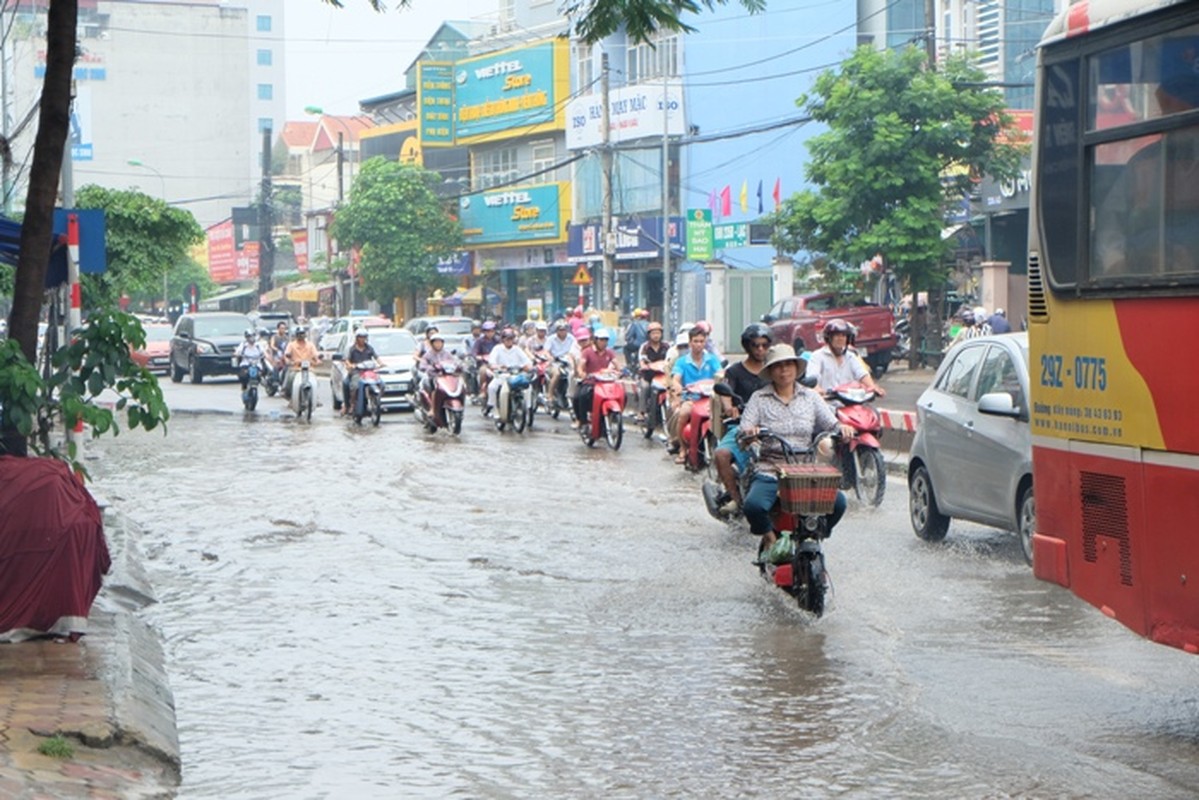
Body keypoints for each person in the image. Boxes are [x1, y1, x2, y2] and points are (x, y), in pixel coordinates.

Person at [738, 344, 855, 554]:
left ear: (796, 368)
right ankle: (771, 540)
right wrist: (750, 433)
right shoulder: (758, 398)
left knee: (838, 503)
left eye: (788, 365)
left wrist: (842, 428)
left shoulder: (811, 397)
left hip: (804, 470)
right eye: (778, 366)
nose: (784, 370)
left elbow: (831, 423)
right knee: (753, 507)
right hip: (770, 470)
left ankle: (814, 535)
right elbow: (743, 431)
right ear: (771, 371)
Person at [711, 324, 773, 515]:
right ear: (747, 346)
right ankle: (736, 499)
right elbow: (725, 394)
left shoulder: (774, 370)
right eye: (756, 345)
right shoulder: (735, 371)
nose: (760, 349)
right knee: (721, 455)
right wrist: (730, 408)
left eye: (764, 345)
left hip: (772, 426)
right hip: (741, 426)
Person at [667, 326, 724, 464]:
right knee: (683, 413)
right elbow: (676, 378)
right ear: (690, 342)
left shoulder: (711, 359)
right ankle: (683, 447)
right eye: (696, 341)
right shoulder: (682, 361)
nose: (699, 344)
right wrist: (677, 386)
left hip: (711, 400)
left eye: (701, 341)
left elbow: (720, 373)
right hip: (691, 399)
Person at [805, 318, 885, 398]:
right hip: (827, 404)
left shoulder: (851, 356)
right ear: (828, 338)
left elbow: (861, 374)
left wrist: (873, 387)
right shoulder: (817, 356)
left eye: (843, 335)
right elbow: (813, 377)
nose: (840, 338)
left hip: (850, 402)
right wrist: (818, 389)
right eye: (837, 335)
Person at [574, 327, 619, 427]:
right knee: (579, 397)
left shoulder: (609, 352)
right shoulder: (587, 352)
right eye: (601, 340)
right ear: (595, 340)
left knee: (622, 395)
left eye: (606, 340)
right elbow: (581, 365)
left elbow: (616, 364)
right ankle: (582, 420)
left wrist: (619, 372)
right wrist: (582, 373)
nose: (604, 342)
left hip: (606, 382)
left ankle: (615, 417)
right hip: (590, 381)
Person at [486, 328, 532, 416]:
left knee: (528, 387)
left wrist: (529, 366)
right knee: (492, 387)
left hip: (516, 375)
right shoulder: (497, 349)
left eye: (511, 338)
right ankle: (493, 407)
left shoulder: (517, 349)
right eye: (507, 339)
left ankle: (528, 408)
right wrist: (498, 366)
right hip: (502, 375)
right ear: (503, 339)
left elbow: (527, 361)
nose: (509, 341)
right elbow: (491, 362)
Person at [636, 321, 671, 423]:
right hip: (648, 375)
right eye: (653, 333)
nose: (656, 336)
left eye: (658, 333)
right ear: (649, 335)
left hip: (663, 375)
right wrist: (644, 366)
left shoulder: (667, 346)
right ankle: (641, 412)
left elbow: (671, 359)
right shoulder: (644, 347)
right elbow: (641, 360)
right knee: (645, 387)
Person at [342, 328, 379, 416]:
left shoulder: (369, 348)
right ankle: (353, 404)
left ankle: (375, 401)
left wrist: (382, 364)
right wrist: (350, 365)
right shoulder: (351, 349)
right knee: (354, 386)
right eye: (360, 337)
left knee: (380, 383)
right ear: (357, 338)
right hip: (357, 372)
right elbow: (346, 360)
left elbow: (377, 357)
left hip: (369, 372)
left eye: (364, 337)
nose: (362, 339)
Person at [281, 326, 320, 396]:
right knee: (289, 379)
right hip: (296, 368)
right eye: (299, 334)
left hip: (309, 369)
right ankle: (286, 391)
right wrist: (289, 361)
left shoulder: (310, 345)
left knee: (315, 381)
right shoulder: (291, 345)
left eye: (302, 334)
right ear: (296, 335)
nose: (301, 336)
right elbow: (286, 354)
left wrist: (317, 360)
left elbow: (315, 354)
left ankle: (315, 397)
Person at [471, 320, 500, 402]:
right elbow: (474, 352)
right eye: (487, 331)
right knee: (483, 371)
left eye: (492, 331)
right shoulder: (479, 341)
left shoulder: (497, 341)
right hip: (484, 364)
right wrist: (478, 357)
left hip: (497, 364)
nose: (490, 333)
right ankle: (483, 390)